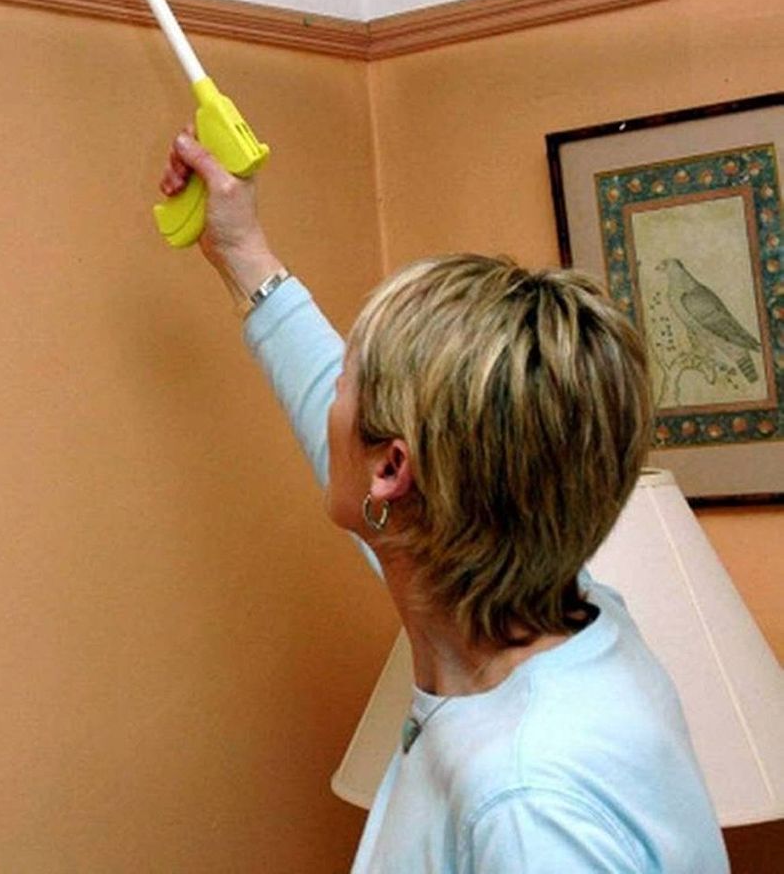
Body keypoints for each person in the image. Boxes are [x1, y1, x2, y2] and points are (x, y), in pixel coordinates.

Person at [159, 132, 730, 874]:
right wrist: (242, 252)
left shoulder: (529, 811)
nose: (332, 401)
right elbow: (395, 489)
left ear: (392, 470)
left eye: (347, 385)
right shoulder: (567, 610)